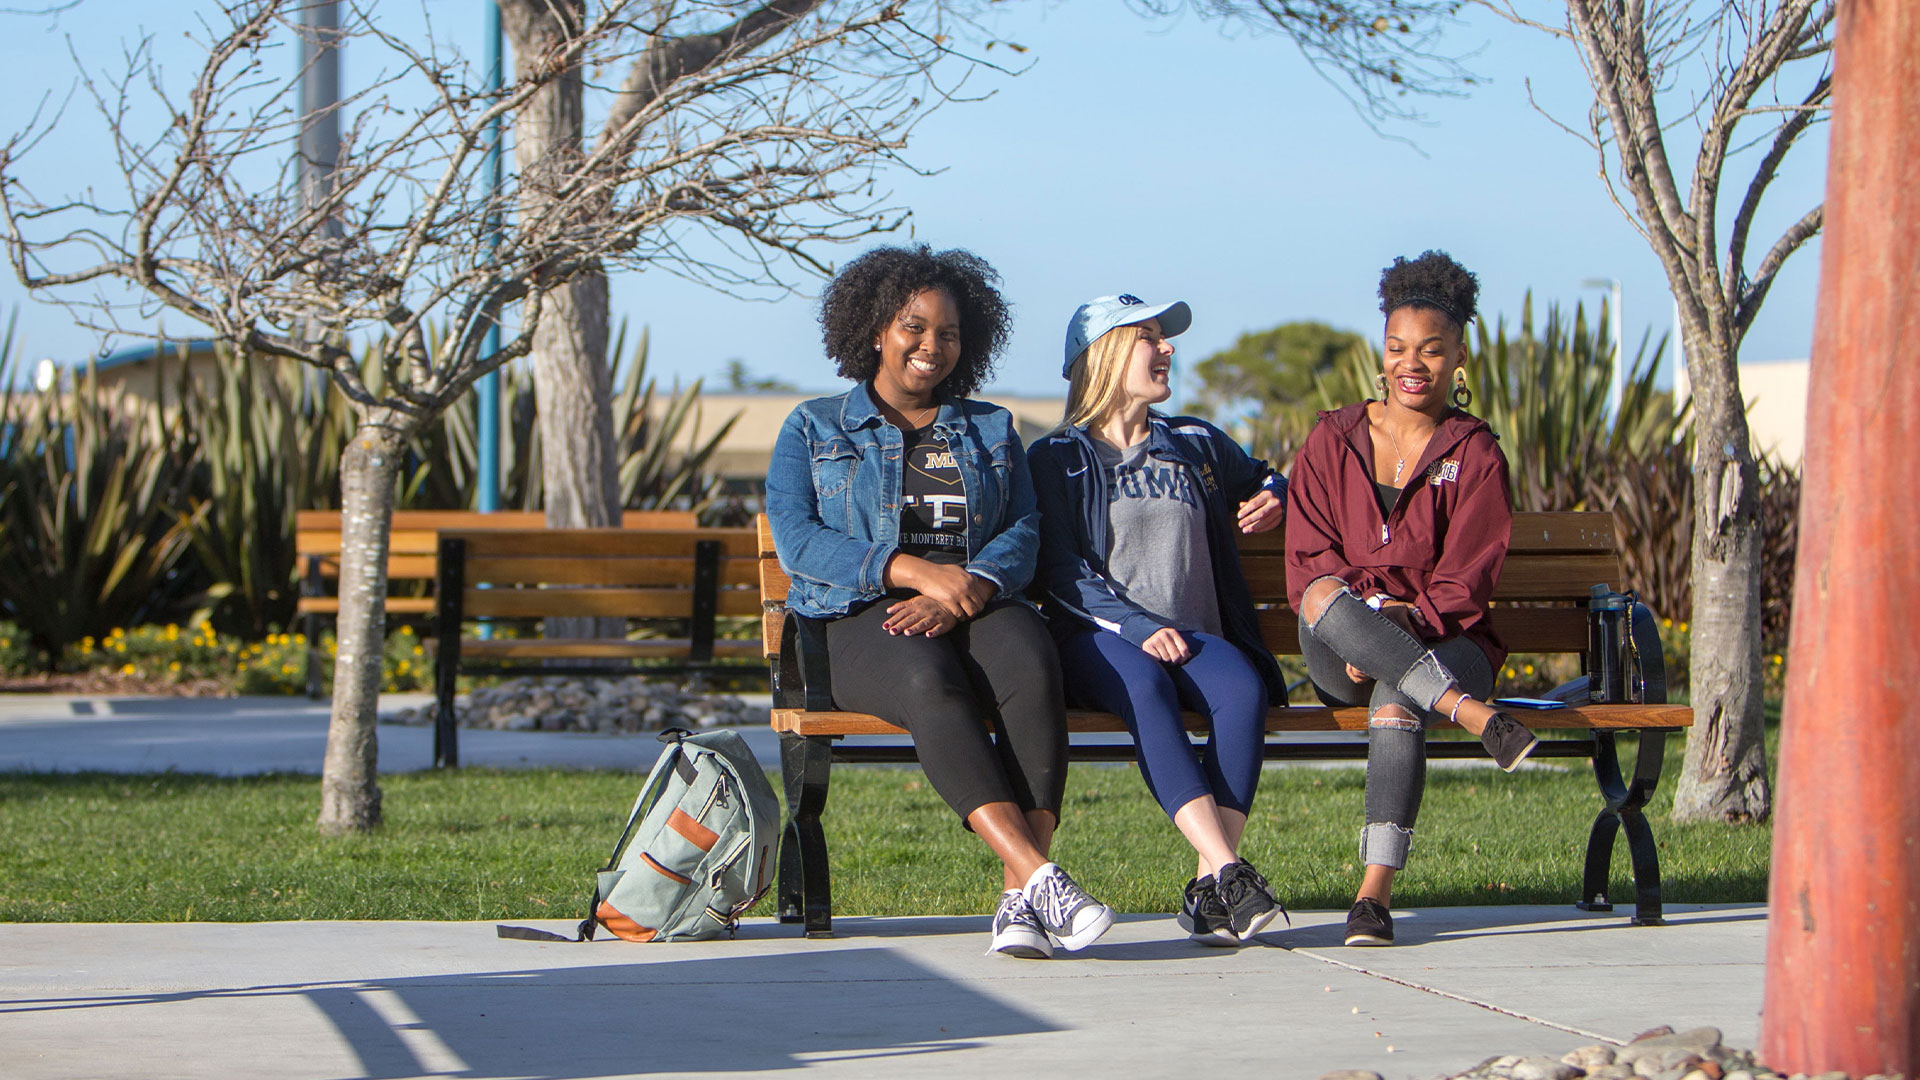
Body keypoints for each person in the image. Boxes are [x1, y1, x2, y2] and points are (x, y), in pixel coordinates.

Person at [764, 245, 1114, 960]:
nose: (931, 346)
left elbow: (1023, 529)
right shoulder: (814, 427)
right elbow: (799, 540)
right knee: (928, 679)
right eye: (913, 327)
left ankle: (1021, 895)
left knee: (1031, 659)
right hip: (858, 615)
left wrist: (971, 588)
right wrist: (911, 570)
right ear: (874, 330)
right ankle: (1043, 877)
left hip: (975, 602)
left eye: (948, 333)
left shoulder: (988, 428)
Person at [1285, 250, 1540, 949]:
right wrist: (1369, 622)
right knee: (1323, 595)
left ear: (1460, 354)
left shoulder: (1475, 451)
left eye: (1431, 350)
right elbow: (1308, 563)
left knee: (1397, 698)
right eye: (1398, 347)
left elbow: (1470, 576)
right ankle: (1475, 716)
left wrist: (1408, 623)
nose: (1412, 364)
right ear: (1382, 350)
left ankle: (1372, 896)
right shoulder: (1331, 439)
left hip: (1450, 643)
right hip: (1340, 644)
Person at [1028, 294, 1290, 946]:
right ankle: (1230, 871)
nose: (1167, 348)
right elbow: (1057, 572)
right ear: (1105, 356)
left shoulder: (1195, 442)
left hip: (1194, 633)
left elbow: (1267, 476)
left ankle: (1210, 888)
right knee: (1146, 690)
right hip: (1101, 638)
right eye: (1149, 337)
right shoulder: (1056, 458)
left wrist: (1273, 497)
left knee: (1243, 690)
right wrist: (1137, 627)